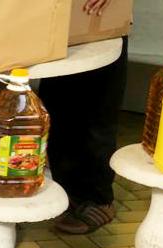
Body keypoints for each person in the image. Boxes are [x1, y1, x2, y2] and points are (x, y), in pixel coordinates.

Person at [39, 0, 128, 234]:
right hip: (56, 18)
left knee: (95, 110)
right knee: (57, 110)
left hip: (101, 17)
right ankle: (66, 192)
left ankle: (97, 198)